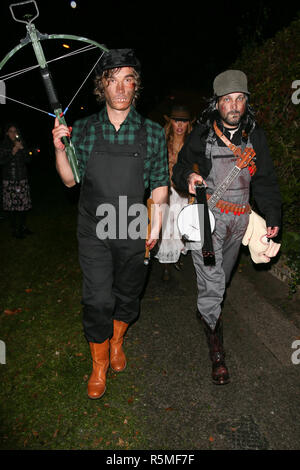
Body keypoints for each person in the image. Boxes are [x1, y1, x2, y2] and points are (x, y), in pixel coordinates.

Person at [52, 49, 169, 399]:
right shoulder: (85, 129)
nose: (120, 87)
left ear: (136, 86)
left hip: (133, 220)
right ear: (102, 86)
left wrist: (157, 222)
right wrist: (60, 148)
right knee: (98, 299)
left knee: (128, 295)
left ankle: (117, 341)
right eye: (112, 79)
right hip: (94, 224)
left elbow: (160, 184)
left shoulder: (151, 132)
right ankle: (99, 364)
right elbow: (70, 180)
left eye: (127, 79)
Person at [172, 70, 282, 385]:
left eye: (239, 99)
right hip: (207, 220)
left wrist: (272, 216)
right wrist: (189, 179)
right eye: (226, 100)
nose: (233, 105)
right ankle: (216, 351)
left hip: (240, 221)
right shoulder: (202, 134)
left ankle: (208, 312)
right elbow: (180, 168)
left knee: (223, 275)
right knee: (212, 281)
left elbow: (265, 181)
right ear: (217, 104)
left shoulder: (256, 137)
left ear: (246, 102)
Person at [155, 104, 193, 280]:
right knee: (164, 228)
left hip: (183, 192)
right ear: (171, 122)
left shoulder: (192, 143)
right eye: (176, 121)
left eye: (183, 122)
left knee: (179, 228)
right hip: (164, 189)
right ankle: (165, 266)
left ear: (188, 124)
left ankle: (175, 256)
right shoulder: (162, 140)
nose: (179, 125)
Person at [0, 123, 32, 238]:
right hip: (10, 180)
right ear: (7, 133)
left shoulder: (21, 143)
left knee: (24, 206)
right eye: (11, 131)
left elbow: (29, 160)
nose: (13, 134)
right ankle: (14, 229)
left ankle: (22, 226)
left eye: (15, 131)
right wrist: (12, 152)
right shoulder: (4, 145)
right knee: (12, 207)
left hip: (22, 179)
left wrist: (23, 150)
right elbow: (1, 161)